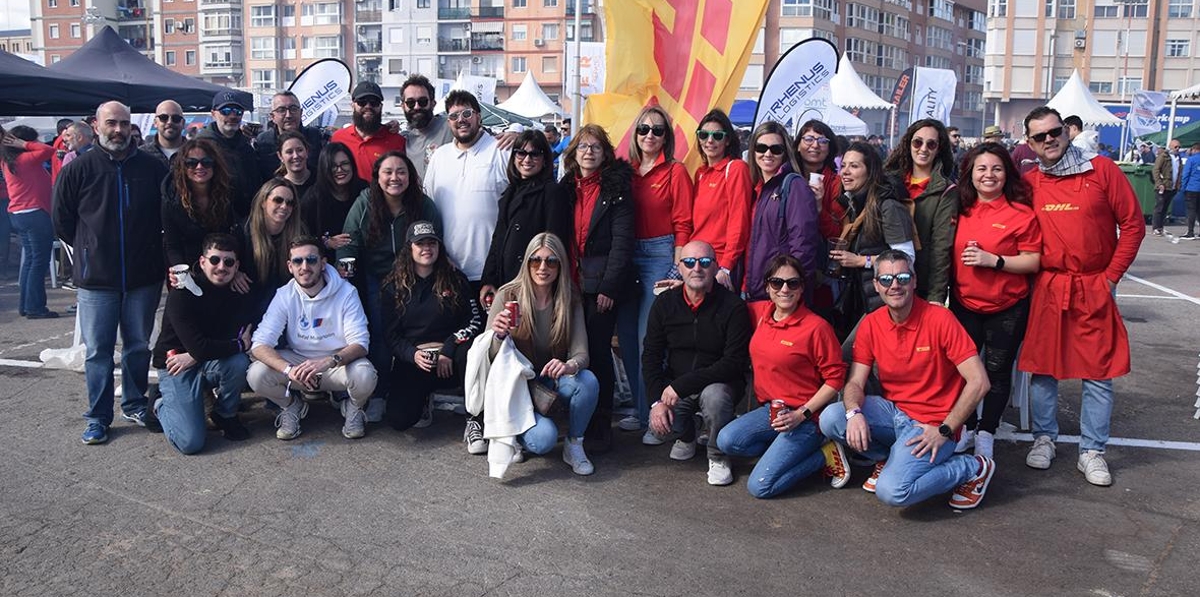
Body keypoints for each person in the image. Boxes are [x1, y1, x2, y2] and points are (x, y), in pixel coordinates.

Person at [1019, 107, 1146, 486]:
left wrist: (1110, 278)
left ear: (1067, 131)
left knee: (1098, 371)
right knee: (1043, 367)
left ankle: (1092, 450)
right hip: (1048, 284)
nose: (1049, 140)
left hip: (1094, 284)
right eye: (1039, 136)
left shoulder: (1102, 170)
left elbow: (1134, 226)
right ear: (1029, 143)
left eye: (1054, 132)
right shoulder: (1028, 183)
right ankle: (1045, 437)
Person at [819, 250, 994, 509]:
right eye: (887, 279)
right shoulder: (871, 324)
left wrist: (945, 430)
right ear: (876, 285)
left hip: (934, 424)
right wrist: (854, 413)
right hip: (896, 414)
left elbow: (980, 382)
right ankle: (888, 460)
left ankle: (972, 468)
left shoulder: (940, 319)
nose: (895, 285)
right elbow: (855, 382)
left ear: (914, 281)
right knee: (832, 418)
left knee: (893, 492)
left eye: (902, 277)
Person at [53, 101, 170, 445]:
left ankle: (133, 403)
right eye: (111, 123)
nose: (118, 130)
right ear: (96, 125)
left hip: (142, 277)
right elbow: (61, 220)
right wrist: (89, 249)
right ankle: (98, 416)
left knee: (137, 346)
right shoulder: (79, 168)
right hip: (96, 280)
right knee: (98, 352)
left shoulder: (152, 167)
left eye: (123, 123)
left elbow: (165, 215)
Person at [715, 254, 850, 498]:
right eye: (777, 283)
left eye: (793, 283)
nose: (784, 289)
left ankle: (824, 455)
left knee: (760, 487)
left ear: (801, 288)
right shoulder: (760, 313)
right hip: (772, 411)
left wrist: (801, 415)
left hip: (807, 417)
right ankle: (783, 453)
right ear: (767, 287)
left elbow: (835, 380)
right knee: (726, 441)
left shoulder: (816, 327)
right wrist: (685, 284)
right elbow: (719, 301)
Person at [477, 232, 599, 475]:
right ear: (527, 263)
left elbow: (581, 352)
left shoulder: (569, 296)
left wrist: (569, 366)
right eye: (536, 260)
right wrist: (498, 336)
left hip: (550, 383)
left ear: (560, 265)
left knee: (587, 382)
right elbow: (487, 360)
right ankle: (516, 435)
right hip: (517, 388)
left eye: (551, 261)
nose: (543, 267)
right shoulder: (507, 295)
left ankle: (574, 445)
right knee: (543, 441)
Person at [950, 144, 1042, 458]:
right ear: (970, 174)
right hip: (964, 304)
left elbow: (1032, 261)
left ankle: (988, 431)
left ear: (1007, 173)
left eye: (996, 168)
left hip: (1007, 307)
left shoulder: (1021, 214)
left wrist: (995, 260)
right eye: (982, 169)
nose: (989, 175)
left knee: (998, 371)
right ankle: (969, 426)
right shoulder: (958, 209)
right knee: (964, 372)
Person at [340, 151, 442, 423]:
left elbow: (437, 238)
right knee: (382, 336)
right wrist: (344, 268)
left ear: (410, 176)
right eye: (388, 172)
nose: (394, 177)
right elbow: (350, 239)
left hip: (417, 275)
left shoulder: (423, 204)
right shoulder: (365, 202)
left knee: (421, 332)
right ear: (377, 177)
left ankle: (420, 393)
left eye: (401, 171)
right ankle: (377, 393)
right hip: (379, 278)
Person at [248, 236, 378, 440]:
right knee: (256, 374)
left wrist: (328, 362)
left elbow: (361, 344)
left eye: (311, 260)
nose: (305, 267)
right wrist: (288, 370)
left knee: (365, 375)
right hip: (298, 363)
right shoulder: (284, 294)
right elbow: (259, 344)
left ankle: (354, 407)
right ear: (290, 267)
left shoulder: (346, 292)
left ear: (323, 263)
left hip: (336, 364)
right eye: (298, 261)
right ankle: (292, 406)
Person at [643, 240, 751, 485]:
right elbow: (650, 354)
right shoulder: (664, 304)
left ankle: (718, 455)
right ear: (679, 268)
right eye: (689, 262)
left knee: (714, 398)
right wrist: (655, 402)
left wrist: (680, 386)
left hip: (719, 383)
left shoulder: (733, 307)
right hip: (676, 384)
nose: (697, 268)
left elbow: (732, 363)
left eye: (704, 262)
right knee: (663, 422)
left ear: (715, 268)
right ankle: (688, 435)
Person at [617, 106, 694, 434]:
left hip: (660, 255)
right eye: (644, 129)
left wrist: (677, 267)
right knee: (626, 337)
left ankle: (655, 413)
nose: (650, 135)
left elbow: (683, 222)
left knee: (649, 339)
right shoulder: (625, 171)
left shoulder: (675, 172)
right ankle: (638, 408)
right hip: (626, 254)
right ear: (635, 134)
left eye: (658, 130)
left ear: (667, 137)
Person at [559, 124, 635, 452]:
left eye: (596, 147)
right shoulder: (565, 187)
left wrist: (609, 286)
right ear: (574, 153)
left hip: (600, 285)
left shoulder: (616, 188)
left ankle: (601, 421)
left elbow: (622, 242)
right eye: (583, 147)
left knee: (598, 352)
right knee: (572, 350)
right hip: (569, 282)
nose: (589, 152)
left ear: (605, 153)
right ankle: (578, 415)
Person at [151, 233, 254, 454]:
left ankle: (224, 414)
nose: (221, 267)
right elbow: (215, 345)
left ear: (237, 267)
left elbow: (223, 338)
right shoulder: (182, 293)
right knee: (190, 443)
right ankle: (160, 404)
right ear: (202, 262)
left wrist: (197, 353)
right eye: (215, 260)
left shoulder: (238, 292)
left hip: (201, 359)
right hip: (175, 364)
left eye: (228, 262)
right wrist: (235, 345)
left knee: (238, 362)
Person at [382, 221, 483, 430]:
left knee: (470, 353)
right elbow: (391, 336)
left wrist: (449, 347)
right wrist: (413, 355)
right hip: (416, 360)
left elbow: (473, 321)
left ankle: (474, 417)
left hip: (450, 359)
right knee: (399, 421)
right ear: (409, 248)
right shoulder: (393, 286)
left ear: (439, 247)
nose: (427, 249)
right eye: (420, 244)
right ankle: (424, 397)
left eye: (432, 243)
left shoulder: (456, 279)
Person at [424, 89, 509, 290]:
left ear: (478, 116)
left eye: (467, 114)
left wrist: (518, 131)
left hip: (493, 271)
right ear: (448, 122)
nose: (461, 120)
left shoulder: (502, 150)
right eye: (453, 116)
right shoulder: (439, 157)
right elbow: (427, 208)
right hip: (448, 270)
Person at [479, 130, 573, 307]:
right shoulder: (509, 193)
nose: (527, 159)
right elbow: (498, 239)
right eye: (521, 153)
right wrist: (489, 279)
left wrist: (542, 287)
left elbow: (555, 243)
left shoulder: (553, 192)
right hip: (506, 283)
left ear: (545, 159)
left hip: (535, 286)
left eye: (534, 154)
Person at [744, 121, 821, 303]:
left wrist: (791, 290)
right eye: (761, 148)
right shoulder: (758, 188)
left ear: (785, 152)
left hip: (780, 295)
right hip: (757, 292)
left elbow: (803, 245)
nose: (767, 154)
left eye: (775, 149)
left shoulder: (794, 186)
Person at [885, 118, 958, 305]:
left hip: (921, 282)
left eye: (931, 144)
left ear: (939, 149)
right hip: (884, 279)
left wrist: (936, 297)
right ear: (908, 144)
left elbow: (941, 248)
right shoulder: (889, 182)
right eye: (918, 142)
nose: (923, 149)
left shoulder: (946, 191)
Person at [691, 108, 753, 294]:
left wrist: (726, 266)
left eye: (717, 135)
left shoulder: (736, 168)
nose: (709, 141)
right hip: (695, 263)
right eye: (704, 135)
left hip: (718, 266)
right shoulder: (700, 173)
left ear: (727, 140)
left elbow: (739, 221)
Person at [1, 125, 57, 319]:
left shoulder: (9, 161)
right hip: (34, 212)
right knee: (38, 262)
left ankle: (26, 305)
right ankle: (35, 307)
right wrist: (25, 144)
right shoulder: (26, 159)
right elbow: (49, 150)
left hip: (19, 213)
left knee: (31, 261)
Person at [161, 138, 239, 274]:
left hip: (224, 267)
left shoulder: (229, 192)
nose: (199, 167)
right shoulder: (170, 198)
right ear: (183, 167)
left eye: (206, 162)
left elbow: (239, 235)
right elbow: (172, 244)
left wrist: (236, 269)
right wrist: (182, 273)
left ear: (215, 165)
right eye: (191, 163)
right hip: (188, 268)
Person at [238, 177, 306, 322]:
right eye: (278, 200)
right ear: (263, 202)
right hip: (250, 305)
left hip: (288, 308)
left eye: (290, 203)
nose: (284, 206)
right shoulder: (242, 231)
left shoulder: (300, 232)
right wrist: (234, 273)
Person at [199, 91, 263, 219]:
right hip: (214, 220)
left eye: (238, 112)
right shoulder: (201, 147)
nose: (233, 116)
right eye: (226, 111)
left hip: (247, 220)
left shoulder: (246, 148)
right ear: (213, 114)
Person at [300, 142, 367, 260]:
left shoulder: (364, 191)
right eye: (333, 166)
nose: (340, 170)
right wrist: (326, 243)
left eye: (344, 164)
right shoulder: (312, 198)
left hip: (364, 259)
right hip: (326, 264)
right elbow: (303, 238)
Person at [331, 82, 406, 182]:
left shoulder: (397, 141)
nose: (368, 106)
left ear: (381, 106)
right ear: (352, 105)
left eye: (374, 102)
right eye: (362, 102)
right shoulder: (338, 138)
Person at [256, 91, 324, 180]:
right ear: (272, 117)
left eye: (293, 109)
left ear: (301, 112)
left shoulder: (315, 136)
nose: (288, 115)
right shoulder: (263, 141)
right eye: (281, 110)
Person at [398, 74, 452, 180]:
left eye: (422, 101)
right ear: (403, 106)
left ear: (433, 103)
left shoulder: (451, 127)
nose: (417, 107)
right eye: (410, 103)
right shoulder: (403, 140)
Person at [1151, 139, 1183, 236]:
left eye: (1179, 147)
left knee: (1165, 208)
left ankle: (1161, 227)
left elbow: (1179, 172)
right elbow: (1156, 170)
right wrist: (1159, 183)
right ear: (1171, 147)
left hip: (1172, 187)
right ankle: (1155, 228)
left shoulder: (1178, 158)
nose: (1178, 149)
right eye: (1176, 147)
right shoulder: (1163, 157)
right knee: (1159, 207)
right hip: (1162, 186)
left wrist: (1178, 185)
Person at [141, 100, 186, 166]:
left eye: (176, 118)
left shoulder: (195, 153)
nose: (169, 122)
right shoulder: (142, 154)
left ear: (183, 123)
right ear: (155, 122)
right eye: (163, 117)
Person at [274, 130, 316, 198]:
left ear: (307, 151)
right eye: (289, 152)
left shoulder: (322, 179)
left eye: (300, 150)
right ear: (280, 156)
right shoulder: (276, 188)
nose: (296, 156)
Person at [1176, 142, 1200, 240]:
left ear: (1194, 149)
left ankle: (1190, 232)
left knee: (1191, 211)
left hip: (1191, 188)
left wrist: (1182, 188)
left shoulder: (1191, 159)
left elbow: (1185, 175)